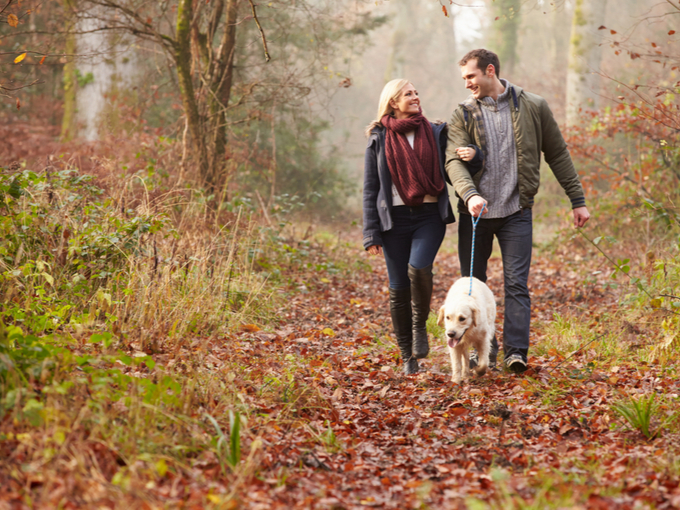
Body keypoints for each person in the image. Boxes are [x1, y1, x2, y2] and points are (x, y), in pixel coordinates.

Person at [446, 49, 590, 374]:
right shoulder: (463, 114)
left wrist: (577, 200)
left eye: (471, 76)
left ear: (490, 71)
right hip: (476, 215)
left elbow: (558, 153)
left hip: (516, 212)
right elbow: (453, 162)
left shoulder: (533, 106)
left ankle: (515, 353)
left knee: (516, 285)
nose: (467, 84)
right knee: (473, 286)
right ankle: (478, 353)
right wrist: (469, 195)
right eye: (464, 78)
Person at [362, 79, 458, 375]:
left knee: (418, 268)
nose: (416, 97)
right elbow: (370, 188)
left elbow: (455, 167)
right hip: (394, 222)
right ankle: (408, 357)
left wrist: (473, 158)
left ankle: (420, 325)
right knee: (398, 288)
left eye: (416, 93)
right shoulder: (378, 136)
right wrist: (371, 232)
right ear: (393, 102)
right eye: (408, 94)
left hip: (429, 216)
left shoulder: (435, 131)